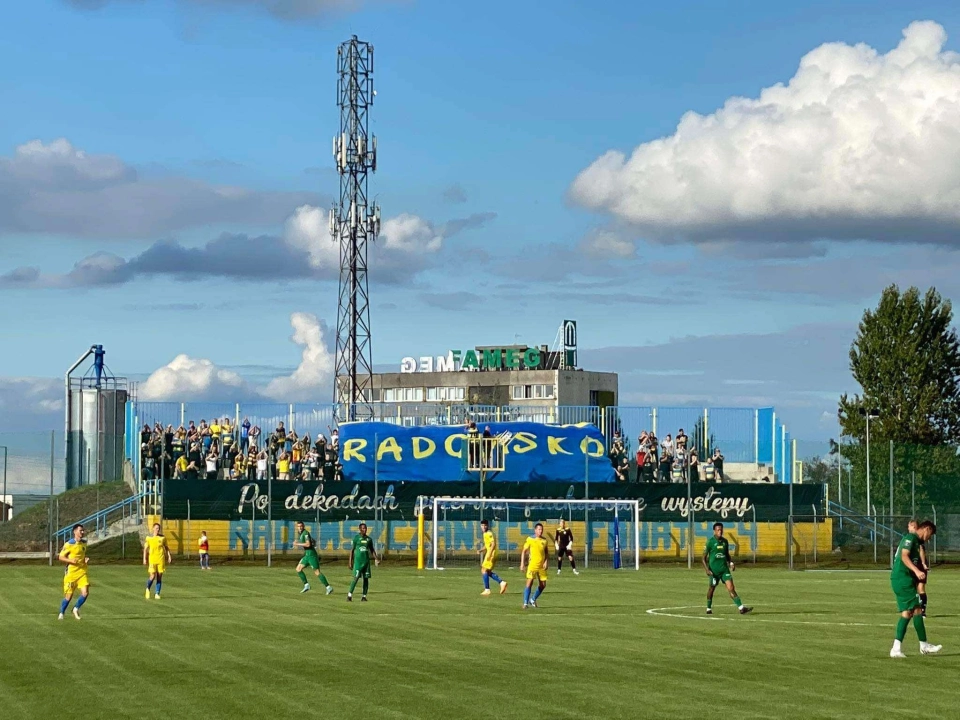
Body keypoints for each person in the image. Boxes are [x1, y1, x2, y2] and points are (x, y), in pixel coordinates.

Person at [890, 520, 940, 658]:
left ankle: (896, 648)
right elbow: (904, 556)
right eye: (930, 535)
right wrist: (916, 571)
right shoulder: (910, 538)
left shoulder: (918, 542)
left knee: (907, 613)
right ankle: (924, 645)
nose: (929, 538)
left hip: (904, 579)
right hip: (902, 579)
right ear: (927, 529)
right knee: (917, 609)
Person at [703, 522, 752, 615]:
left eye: (721, 529)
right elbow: (703, 558)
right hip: (714, 572)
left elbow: (727, 554)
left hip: (724, 570)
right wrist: (707, 569)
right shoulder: (710, 542)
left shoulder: (725, 541)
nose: (720, 531)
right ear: (714, 531)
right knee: (711, 589)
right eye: (718, 530)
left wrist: (731, 562)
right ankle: (708, 608)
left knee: (731, 588)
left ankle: (741, 608)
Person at [58, 523, 90, 620]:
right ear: (75, 531)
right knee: (69, 596)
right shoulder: (69, 544)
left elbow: (81, 556)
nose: (82, 532)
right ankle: (61, 613)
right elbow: (60, 557)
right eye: (81, 530)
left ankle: (75, 609)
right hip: (71, 573)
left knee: (85, 592)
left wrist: (84, 560)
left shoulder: (84, 543)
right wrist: (71, 561)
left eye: (83, 530)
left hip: (82, 571)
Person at [292, 520, 333, 595]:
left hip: (312, 555)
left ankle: (328, 587)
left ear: (303, 526)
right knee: (298, 569)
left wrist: (298, 544)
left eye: (301, 526)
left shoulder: (305, 533)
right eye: (298, 526)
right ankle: (306, 585)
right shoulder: (301, 533)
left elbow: (308, 544)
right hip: (307, 555)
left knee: (317, 572)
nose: (300, 528)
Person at [347, 522, 379, 602]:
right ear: (360, 529)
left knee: (366, 579)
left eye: (365, 528)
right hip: (358, 562)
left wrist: (376, 558)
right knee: (356, 578)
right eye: (363, 528)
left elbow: (372, 550)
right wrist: (350, 562)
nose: (364, 530)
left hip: (366, 562)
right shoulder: (356, 538)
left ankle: (364, 596)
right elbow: (352, 550)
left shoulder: (369, 539)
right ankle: (349, 595)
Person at [520, 523, 550, 609]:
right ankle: (525, 603)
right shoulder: (530, 539)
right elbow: (524, 551)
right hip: (532, 565)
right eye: (539, 529)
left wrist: (546, 562)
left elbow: (546, 552)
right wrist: (522, 563)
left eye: (541, 529)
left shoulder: (544, 541)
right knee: (529, 583)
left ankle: (533, 599)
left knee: (543, 585)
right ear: (535, 530)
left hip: (541, 566)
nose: (541, 531)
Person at [478, 519, 507, 596]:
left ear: (488, 526)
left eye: (485, 525)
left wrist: (489, 554)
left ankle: (487, 589)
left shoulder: (489, 533)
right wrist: (481, 550)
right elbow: (487, 545)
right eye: (482, 525)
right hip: (490, 553)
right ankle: (502, 582)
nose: (483, 527)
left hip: (492, 554)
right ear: (480, 526)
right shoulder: (485, 534)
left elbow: (493, 544)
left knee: (484, 570)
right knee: (487, 571)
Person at [907, 519, 929, 616]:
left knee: (920, 588)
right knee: (914, 588)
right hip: (914, 565)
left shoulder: (917, 538)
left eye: (909, 526)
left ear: (914, 526)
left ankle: (922, 610)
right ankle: (915, 609)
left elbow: (921, 550)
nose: (908, 528)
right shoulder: (911, 538)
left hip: (918, 565)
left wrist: (923, 563)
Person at [144, 522, 172, 600]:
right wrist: (144, 558)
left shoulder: (162, 538)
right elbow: (145, 549)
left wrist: (169, 556)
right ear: (153, 529)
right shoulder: (149, 538)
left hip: (160, 559)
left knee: (159, 577)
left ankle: (157, 593)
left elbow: (166, 548)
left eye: (158, 528)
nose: (157, 530)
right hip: (152, 559)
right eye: (156, 528)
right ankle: (147, 589)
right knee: (152, 576)